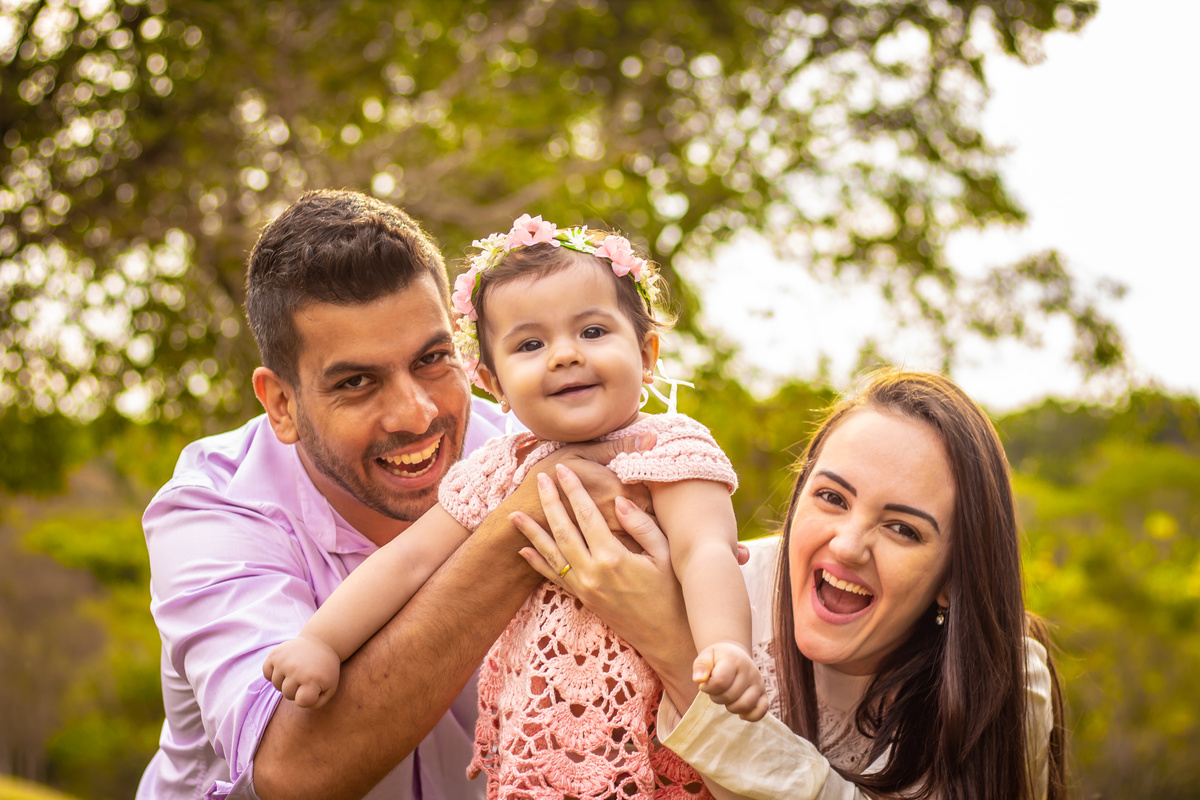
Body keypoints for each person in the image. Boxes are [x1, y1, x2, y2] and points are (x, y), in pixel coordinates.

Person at [136, 191, 654, 800]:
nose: (416, 414)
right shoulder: (212, 510)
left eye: (433, 359)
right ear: (282, 404)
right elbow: (292, 772)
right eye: (356, 382)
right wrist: (521, 527)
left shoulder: (538, 444)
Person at [263, 213, 767, 799]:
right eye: (530, 344)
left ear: (648, 352)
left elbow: (705, 551)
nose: (564, 356)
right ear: (492, 383)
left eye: (593, 332)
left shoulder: (669, 449)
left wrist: (724, 646)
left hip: (651, 743)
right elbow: (407, 561)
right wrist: (322, 642)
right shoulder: (497, 470)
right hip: (535, 748)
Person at [517, 369, 1067, 800]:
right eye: (832, 497)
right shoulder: (714, 584)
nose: (849, 545)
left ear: (954, 577)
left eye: (903, 529)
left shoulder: (1006, 679)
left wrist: (671, 644)